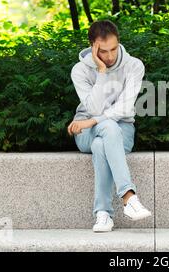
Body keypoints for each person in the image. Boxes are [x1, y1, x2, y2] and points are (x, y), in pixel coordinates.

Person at [67, 20, 151, 233]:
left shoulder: (134, 66)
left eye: (113, 49)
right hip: (85, 132)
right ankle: (128, 197)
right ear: (93, 47)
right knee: (106, 131)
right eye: (103, 51)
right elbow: (94, 107)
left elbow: (124, 108)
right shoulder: (80, 71)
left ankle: (103, 215)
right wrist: (101, 71)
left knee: (101, 144)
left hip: (121, 129)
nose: (110, 56)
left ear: (119, 42)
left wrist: (93, 121)